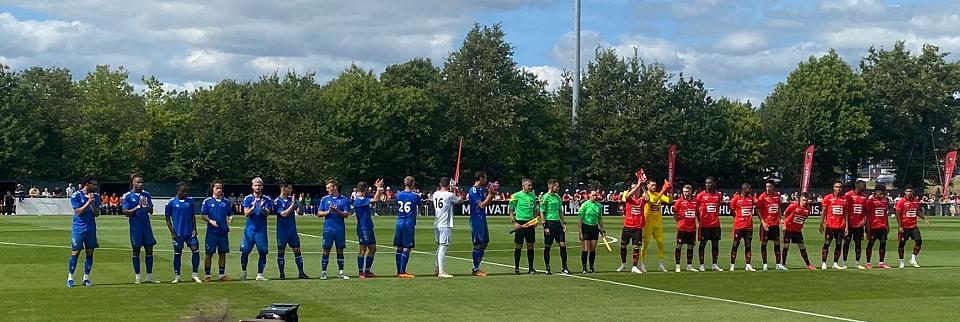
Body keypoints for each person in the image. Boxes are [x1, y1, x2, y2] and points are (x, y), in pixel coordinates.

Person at [121, 174, 159, 284]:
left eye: (142, 182)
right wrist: (137, 207)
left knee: (149, 249)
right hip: (135, 228)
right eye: (138, 182)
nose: (140, 184)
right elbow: (125, 212)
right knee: (136, 250)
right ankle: (137, 277)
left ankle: (149, 276)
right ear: (133, 183)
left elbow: (151, 211)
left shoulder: (146, 194)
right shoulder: (127, 196)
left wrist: (146, 206)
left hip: (146, 226)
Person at [164, 182, 202, 284]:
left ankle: (195, 274)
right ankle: (177, 276)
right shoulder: (171, 203)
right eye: (183, 191)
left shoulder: (190, 201)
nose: (185, 193)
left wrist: (194, 229)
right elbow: (167, 219)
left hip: (189, 232)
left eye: (186, 191)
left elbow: (192, 216)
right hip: (178, 233)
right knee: (177, 253)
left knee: (195, 250)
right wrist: (172, 232)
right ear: (178, 191)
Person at [66, 177, 101, 287]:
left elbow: (96, 214)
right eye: (93, 185)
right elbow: (78, 212)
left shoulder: (96, 197)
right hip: (79, 228)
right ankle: (70, 277)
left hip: (91, 228)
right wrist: (88, 202)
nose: (95, 187)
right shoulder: (76, 195)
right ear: (87, 184)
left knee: (90, 252)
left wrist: (92, 204)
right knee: (76, 252)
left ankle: (86, 278)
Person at [317, 179, 351, 280]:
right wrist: (328, 211)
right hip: (328, 229)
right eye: (327, 188)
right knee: (326, 250)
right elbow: (319, 213)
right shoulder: (324, 199)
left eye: (329, 188)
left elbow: (346, 214)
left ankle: (341, 272)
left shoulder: (344, 200)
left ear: (335, 187)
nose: (328, 190)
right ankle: (323, 272)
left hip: (340, 229)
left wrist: (336, 211)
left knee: (340, 250)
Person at [201, 180, 233, 282]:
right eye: (217, 188)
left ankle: (222, 274)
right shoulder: (207, 201)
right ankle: (207, 275)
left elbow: (230, 213)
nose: (219, 190)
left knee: (222, 253)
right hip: (212, 232)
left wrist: (230, 218)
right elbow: (203, 215)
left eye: (220, 188)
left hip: (223, 231)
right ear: (213, 189)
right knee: (209, 253)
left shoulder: (226, 202)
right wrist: (210, 221)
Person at [240, 177, 272, 281]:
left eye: (259, 185)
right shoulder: (248, 198)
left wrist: (262, 208)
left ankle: (260, 274)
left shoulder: (267, 199)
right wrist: (253, 208)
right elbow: (246, 214)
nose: (257, 187)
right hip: (249, 230)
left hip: (261, 230)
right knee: (245, 252)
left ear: (262, 186)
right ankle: (244, 271)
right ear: (252, 186)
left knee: (263, 252)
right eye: (255, 185)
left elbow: (267, 214)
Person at [275, 182, 308, 280]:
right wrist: (293, 204)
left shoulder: (291, 199)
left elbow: (299, 212)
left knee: (297, 250)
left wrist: (300, 202)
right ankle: (282, 274)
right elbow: (283, 214)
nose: (291, 190)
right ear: (283, 188)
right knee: (281, 251)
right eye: (289, 188)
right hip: (282, 231)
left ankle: (301, 273)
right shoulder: (277, 201)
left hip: (292, 230)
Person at [467, 171, 497, 277]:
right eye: (485, 178)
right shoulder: (473, 190)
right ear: (480, 178)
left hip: (482, 218)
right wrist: (490, 194)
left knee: (484, 243)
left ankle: (477, 267)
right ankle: (475, 269)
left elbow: (487, 203)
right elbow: (482, 205)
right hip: (476, 220)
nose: (486, 180)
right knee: (478, 244)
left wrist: (491, 195)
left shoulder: (480, 189)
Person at [353, 179, 384, 279]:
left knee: (373, 248)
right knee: (363, 249)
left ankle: (367, 271)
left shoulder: (363, 198)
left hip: (369, 227)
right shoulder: (359, 200)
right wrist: (378, 188)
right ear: (365, 189)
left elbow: (375, 199)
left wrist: (377, 189)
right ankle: (361, 272)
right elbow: (375, 200)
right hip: (363, 228)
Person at [509, 178, 541, 275]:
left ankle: (531, 268)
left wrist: (536, 220)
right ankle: (517, 268)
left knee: (530, 245)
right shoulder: (515, 195)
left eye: (531, 185)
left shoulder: (533, 195)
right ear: (523, 185)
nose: (530, 187)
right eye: (528, 185)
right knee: (519, 245)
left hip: (530, 223)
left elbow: (535, 210)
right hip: (520, 222)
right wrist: (514, 222)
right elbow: (510, 211)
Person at [432, 177, 463, 278]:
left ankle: (437, 268)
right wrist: (456, 190)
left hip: (437, 223)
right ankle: (441, 271)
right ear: (448, 185)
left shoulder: (435, 194)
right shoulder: (449, 195)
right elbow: (460, 201)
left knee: (440, 247)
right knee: (443, 247)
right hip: (445, 224)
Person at [640, 179, 672, 273]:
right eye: (652, 185)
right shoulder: (645, 195)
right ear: (648, 186)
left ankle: (661, 265)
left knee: (660, 244)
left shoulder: (659, 194)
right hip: (647, 224)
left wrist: (668, 191)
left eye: (655, 185)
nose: (654, 187)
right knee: (645, 244)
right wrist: (663, 189)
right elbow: (653, 201)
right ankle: (642, 264)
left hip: (658, 224)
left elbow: (669, 201)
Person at [895, 185, 930, 268]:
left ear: (912, 192)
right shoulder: (901, 201)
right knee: (902, 244)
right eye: (907, 191)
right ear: (904, 192)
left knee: (919, 241)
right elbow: (897, 213)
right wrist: (900, 226)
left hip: (913, 226)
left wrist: (924, 218)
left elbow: (917, 211)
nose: (909, 193)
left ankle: (913, 259)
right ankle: (901, 262)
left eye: (910, 191)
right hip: (904, 227)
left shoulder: (915, 201)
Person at [394, 176, 422, 278]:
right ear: (413, 184)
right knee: (406, 247)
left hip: (399, 222)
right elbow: (421, 206)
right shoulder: (415, 196)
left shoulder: (398, 195)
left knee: (399, 247)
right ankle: (402, 271)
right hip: (408, 223)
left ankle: (398, 270)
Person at [617, 174, 645, 274]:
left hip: (637, 227)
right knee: (623, 245)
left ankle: (634, 266)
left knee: (636, 247)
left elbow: (648, 199)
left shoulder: (641, 199)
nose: (634, 190)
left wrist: (642, 186)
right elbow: (628, 195)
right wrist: (637, 185)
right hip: (628, 226)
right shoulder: (629, 199)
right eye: (632, 188)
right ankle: (623, 264)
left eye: (636, 188)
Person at [540, 179, 568, 275]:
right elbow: (542, 212)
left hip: (557, 224)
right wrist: (544, 226)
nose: (558, 188)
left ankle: (564, 267)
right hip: (549, 223)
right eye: (557, 186)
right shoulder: (545, 197)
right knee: (548, 246)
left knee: (563, 245)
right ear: (551, 186)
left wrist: (564, 222)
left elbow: (560, 211)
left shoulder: (558, 197)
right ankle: (547, 267)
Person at [757, 180, 786, 271]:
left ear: (773, 187)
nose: (768, 188)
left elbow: (779, 208)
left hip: (775, 224)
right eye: (766, 186)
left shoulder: (777, 196)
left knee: (777, 243)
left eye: (769, 186)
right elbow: (757, 210)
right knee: (764, 243)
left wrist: (781, 219)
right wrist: (763, 222)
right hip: (766, 225)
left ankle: (778, 264)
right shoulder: (762, 197)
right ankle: (765, 264)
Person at [696, 177, 724, 271]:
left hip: (715, 225)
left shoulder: (718, 195)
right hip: (704, 225)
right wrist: (699, 222)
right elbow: (696, 210)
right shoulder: (700, 196)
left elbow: (718, 206)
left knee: (715, 245)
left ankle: (714, 264)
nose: (708, 184)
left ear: (713, 183)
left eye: (710, 183)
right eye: (706, 183)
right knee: (702, 245)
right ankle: (701, 264)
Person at [782, 193, 815, 270]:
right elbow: (785, 213)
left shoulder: (808, 209)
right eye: (803, 200)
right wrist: (785, 223)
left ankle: (808, 265)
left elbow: (804, 217)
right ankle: (783, 264)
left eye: (806, 200)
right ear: (800, 199)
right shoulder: (793, 206)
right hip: (788, 229)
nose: (805, 202)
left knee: (802, 247)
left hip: (797, 231)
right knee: (786, 246)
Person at [819, 180, 848, 270]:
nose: (838, 189)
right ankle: (824, 262)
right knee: (827, 243)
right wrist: (821, 224)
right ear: (833, 188)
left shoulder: (844, 199)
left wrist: (846, 226)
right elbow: (823, 212)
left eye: (840, 187)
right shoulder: (828, 198)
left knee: (839, 244)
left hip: (840, 226)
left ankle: (835, 263)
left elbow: (845, 213)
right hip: (830, 225)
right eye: (837, 187)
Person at [729, 183, 757, 272]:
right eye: (749, 188)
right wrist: (738, 218)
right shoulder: (736, 199)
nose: (751, 190)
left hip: (749, 227)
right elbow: (731, 210)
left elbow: (755, 205)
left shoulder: (750, 198)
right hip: (738, 226)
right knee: (735, 245)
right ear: (745, 189)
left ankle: (748, 265)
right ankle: (732, 265)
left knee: (748, 246)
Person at [578, 186, 606, 273]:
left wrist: (603, 230)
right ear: (589, 195)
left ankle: (591, 266)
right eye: (593, 195)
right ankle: (584, 267)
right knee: (585, 248)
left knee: (593, 249)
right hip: (586, 227)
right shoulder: (585, 205)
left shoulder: (599, 206)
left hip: (594, 228)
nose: (595, 197)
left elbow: (600, 219)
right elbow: (580, 219)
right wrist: (580, 232)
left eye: (596, 195)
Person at [672, 184, 699, 272]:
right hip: (682, 228)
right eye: (684, 191)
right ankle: (677, 265)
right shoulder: (679, 201)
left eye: (687, 191)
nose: (685, 193)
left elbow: (697, 213)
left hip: (692, 228)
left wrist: (698, 223)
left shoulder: (695, 201)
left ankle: (689, 265)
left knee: (690, 246)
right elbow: (675, 212)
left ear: (691, 191)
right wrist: (679, 222)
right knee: (679, 246)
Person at [843, 180, 869, 269]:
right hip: (849, 224)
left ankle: (857, 263)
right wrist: (845, 224)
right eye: (863, 186)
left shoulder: (865, 196)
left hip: (859, 225)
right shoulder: (848, 195)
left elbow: (866, 211)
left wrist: (864, 221)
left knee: (858, 244)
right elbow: (845, 209)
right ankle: (844, 262)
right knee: (846, 243)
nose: (864, 188)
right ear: (857, 186)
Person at [864, 185, 891, 269]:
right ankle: (868, 262)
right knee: (871, 244)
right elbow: (867, 214)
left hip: (882, 226)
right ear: (875, 191)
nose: (882, 193)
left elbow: (885, 214)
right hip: (873, 226)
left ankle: (881, 263)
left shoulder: (885, 201)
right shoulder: (870, 201)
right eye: (880, 191)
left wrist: (887, 225)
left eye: (883, 191)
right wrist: (867, 226)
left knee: (883, 243)